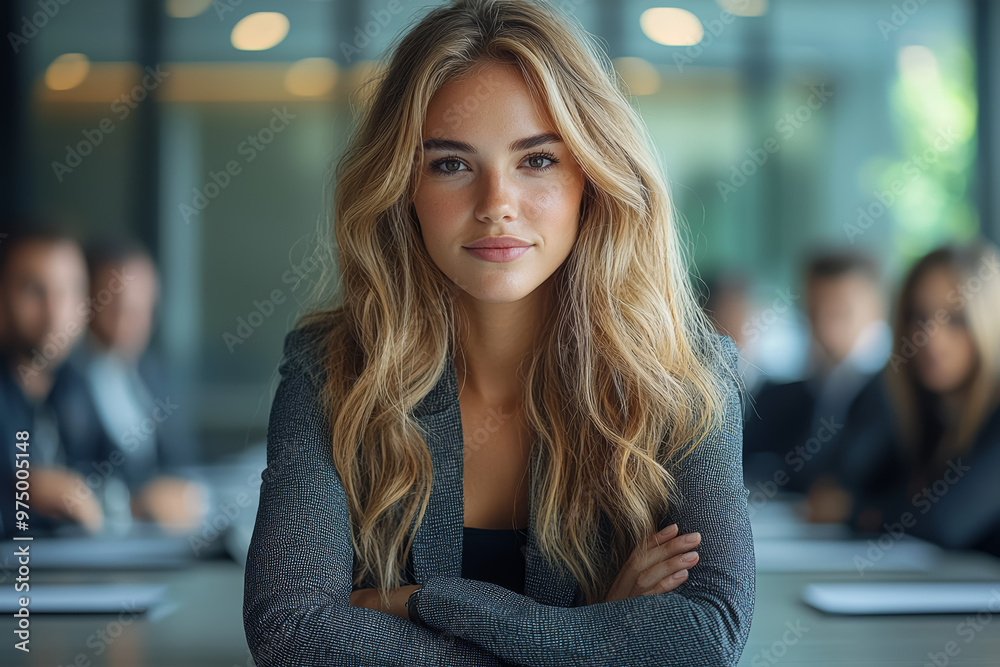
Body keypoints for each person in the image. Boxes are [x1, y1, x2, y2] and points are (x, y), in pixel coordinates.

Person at [243, 1, 754, 665]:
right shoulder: (331, 369)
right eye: (451, 164)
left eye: (537, 160)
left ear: (591, 180)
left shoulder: (687, 377)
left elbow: (707, 634)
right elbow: (290, 634)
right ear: (403, 187)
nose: (496, 205)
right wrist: (592, 633)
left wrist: (411, 600)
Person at [814, 240, 1000, 556]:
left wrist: (855, 512)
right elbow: (846, 482)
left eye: (956, 320)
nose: (930, 338)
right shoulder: (928, 411)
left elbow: (943, 524)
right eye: (919, 316)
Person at [71, 237, 207, 533]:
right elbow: (58, 481)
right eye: (119, 305)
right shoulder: (61, 378)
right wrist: (135, 505)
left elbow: (179, 459)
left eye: (143, 306)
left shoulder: (151, 372)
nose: (134, 318)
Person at [743, 249, 891, 496]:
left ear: (876, 310)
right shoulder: (785, 396)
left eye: (841, 312)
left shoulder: (895, 394)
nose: (824, 325)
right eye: (814, 310)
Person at [0, 227, 108, 537]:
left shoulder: (77, 383)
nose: (54, 311)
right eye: (34, 290)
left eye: (69, 290)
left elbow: (113, 473)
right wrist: (16, 496)